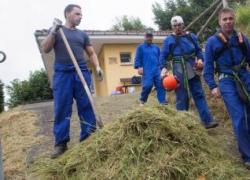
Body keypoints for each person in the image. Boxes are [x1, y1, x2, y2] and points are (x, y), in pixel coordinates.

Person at [41, 4, 104, 158]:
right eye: (77, 14)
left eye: (81, 14)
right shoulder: (58, 31)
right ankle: (61, 144)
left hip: (81, 71)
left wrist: (97, 67)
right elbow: (46, 48)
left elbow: (91, 53)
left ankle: (88, 137)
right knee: (62, 108)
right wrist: (53, 30)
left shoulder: (82, 35)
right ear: (67, 14)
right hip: (63, 74)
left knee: (86, 105)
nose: (80, 16)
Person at [204, 8, 250, 168]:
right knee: (239, 117)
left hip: (245, 77)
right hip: (227, 81)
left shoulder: (242, 38)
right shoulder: (212, 42)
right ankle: (247, 156)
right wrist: (212, 86)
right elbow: (208, 67)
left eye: (230, 18)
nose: (228, 21)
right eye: (225, 19)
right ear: (219, 21)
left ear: (234, 19)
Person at [160, 16, 218, 129]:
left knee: (199, 94)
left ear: (183, 25)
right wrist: (163, 67)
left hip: (193, 67)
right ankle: (182, 125)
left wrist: (201, 60)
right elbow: (163, 56)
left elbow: (198, 51)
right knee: (182, 96)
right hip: (178, 69)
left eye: (179, 25)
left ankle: (208, 121)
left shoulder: (191, 37)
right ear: (172, 27)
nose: (177, 27)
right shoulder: (169, 40)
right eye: (174, 26)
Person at [134, 31, 167, 106]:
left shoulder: (156, 47)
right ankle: (142, 100)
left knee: (161, 85)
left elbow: (160, 58)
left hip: (157, 70)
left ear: (152, 37)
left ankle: (162, 102)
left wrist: (163, 68)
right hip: (147, 70)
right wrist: (139, 67)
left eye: (151, 36)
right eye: (148, 36)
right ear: (145, 37)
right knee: (148, 86)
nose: (149, 38)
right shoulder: (140, 47)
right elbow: (137, 58)